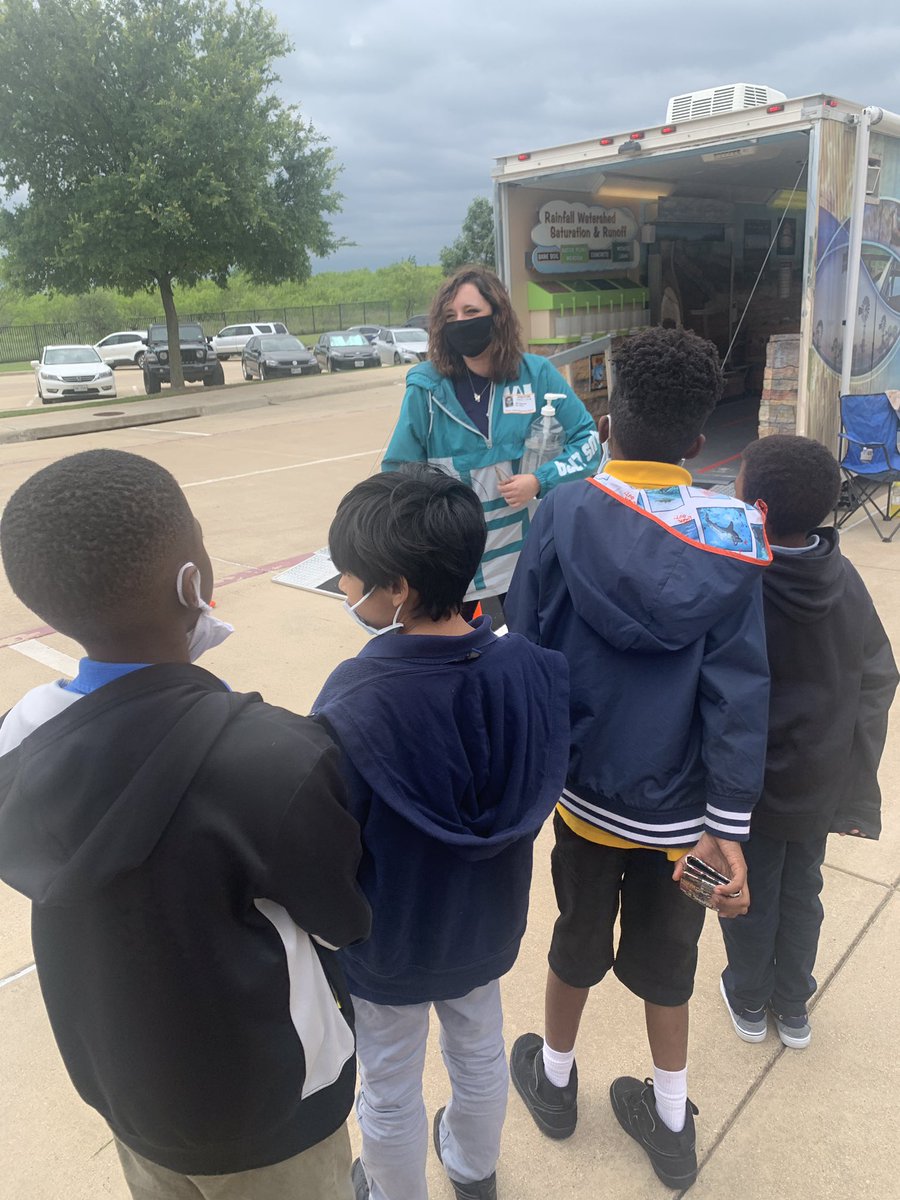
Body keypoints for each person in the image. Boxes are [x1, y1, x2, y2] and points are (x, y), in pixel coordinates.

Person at [0, 449, 371, 1200]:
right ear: (192, 582)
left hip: (131, 1094)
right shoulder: (274, 756)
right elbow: (341, 922)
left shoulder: (17, 739)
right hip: (274, 1110)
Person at [504, 327, 772, 1191]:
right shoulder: (732, 536)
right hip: (684, 819)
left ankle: (552, 1081)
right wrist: (727, 826)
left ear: (608, 420)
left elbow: (528, 648)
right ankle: (669, 1121)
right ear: (699, 441)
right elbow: (740, 691)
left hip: (584, 798)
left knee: (574, 937)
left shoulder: (562, 513)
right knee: (670, 964)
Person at [311, 464, 571, 1200]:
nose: (344, 591)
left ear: (397, 589)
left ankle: (396, 1191)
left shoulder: (355, 697)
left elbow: (331, 832)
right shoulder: (529, 668)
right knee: (481, 1051)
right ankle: (473, 1170)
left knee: (389, 1083)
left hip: (392, 935)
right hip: (485, 921)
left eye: (351, 578)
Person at [719, 435, 898, 1049]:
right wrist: (850, 768)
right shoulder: (842, 575)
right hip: (817, 781)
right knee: (803, 891)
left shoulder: (741, 582)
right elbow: (879, 672)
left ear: (756, 509)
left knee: (748, 892)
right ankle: (793, 1005)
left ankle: (747, 998)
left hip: (752, 785)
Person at [381, 266, 600, 616]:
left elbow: (588, 440)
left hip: (523, 554)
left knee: (528, 650)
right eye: (450, 316)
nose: (460, 322)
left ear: (496, 316)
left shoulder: (537, 375)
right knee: (453, 657)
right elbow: (397, 470)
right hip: (452, 556)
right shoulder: (426, 389)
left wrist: (539, 480)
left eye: (471, 312)